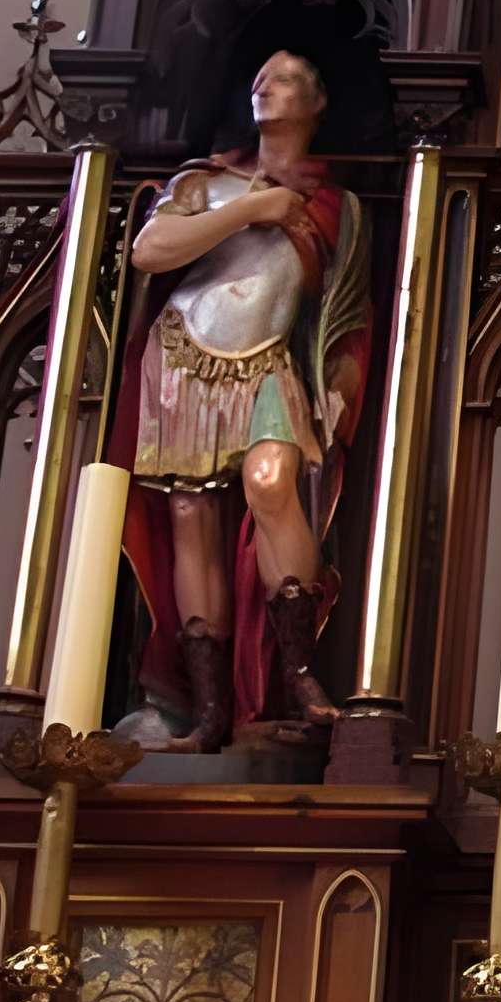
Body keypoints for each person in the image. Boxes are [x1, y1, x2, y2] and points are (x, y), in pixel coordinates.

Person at [108, 49, 369, 751]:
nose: (263, 82)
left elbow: (346, 308)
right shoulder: (207, 179)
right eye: (257, 75)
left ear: (317, 103)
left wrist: (341, 387)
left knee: (270, 480)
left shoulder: (336, 204)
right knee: (191, 514)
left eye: (283, 77)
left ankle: (299, 674)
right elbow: (151, 250)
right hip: (183, 353)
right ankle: (210, 710)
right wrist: (253, 207)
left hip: (269, 359)